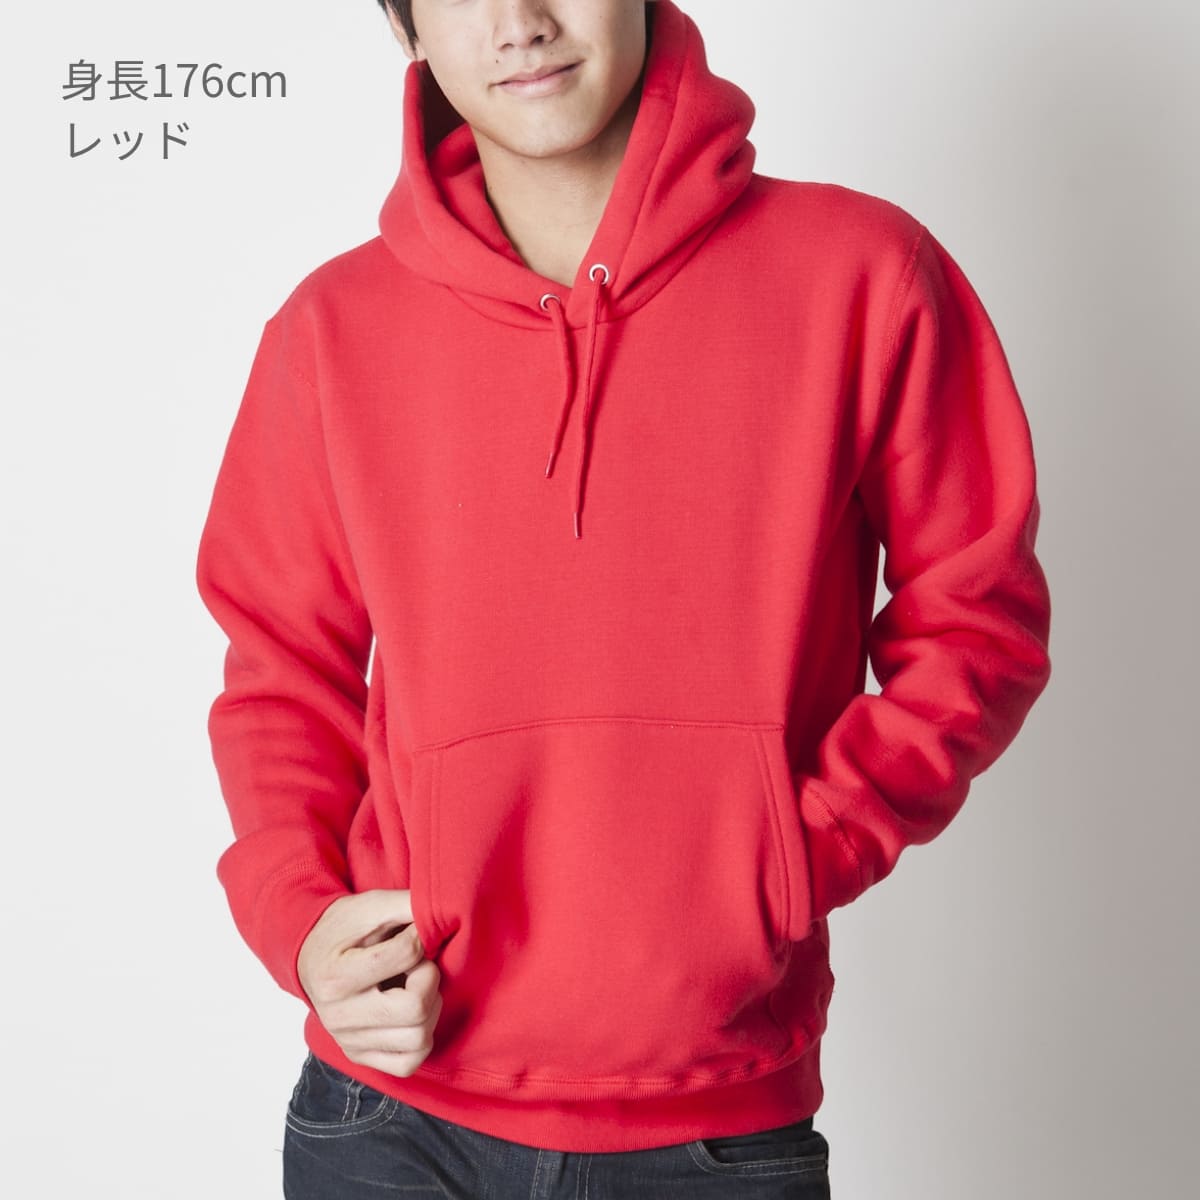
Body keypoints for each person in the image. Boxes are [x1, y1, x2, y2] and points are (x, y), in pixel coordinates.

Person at [194, 1, 1053, 1196]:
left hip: (715, 1126)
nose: (520, 21)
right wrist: (301, 922)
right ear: (406, 24)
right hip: (391, 1118)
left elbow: (977, 621)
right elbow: (281, 671)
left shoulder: (863, 275)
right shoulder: (331, 330)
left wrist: (795, 856)